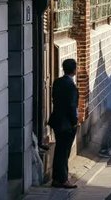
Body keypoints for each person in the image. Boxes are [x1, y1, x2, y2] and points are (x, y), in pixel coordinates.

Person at [48, 59, 79, 188]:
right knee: (64, 152)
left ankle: (56, 178)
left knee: (59, 150)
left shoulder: (57, 82)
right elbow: (72, 106)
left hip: (57, 120)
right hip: (66, 123)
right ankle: (63, 179)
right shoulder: (71, 86)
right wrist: (74, 122)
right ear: (74, 70)